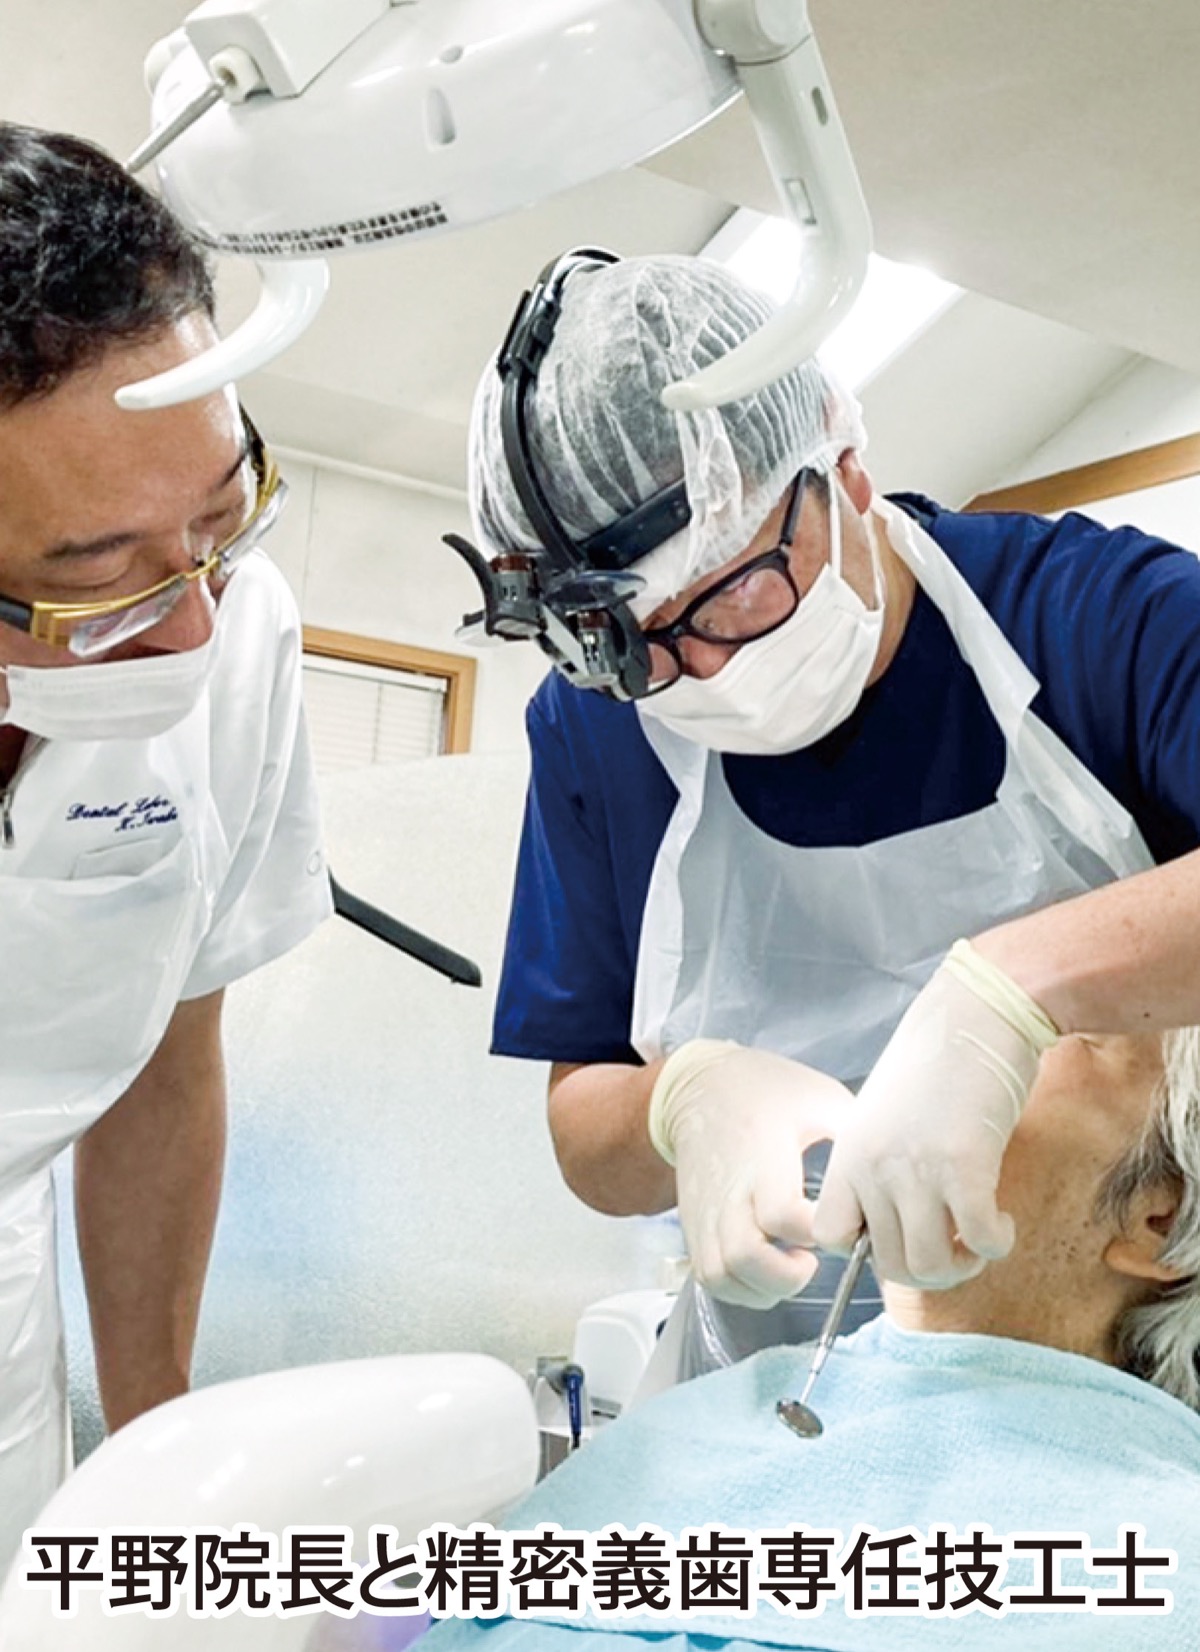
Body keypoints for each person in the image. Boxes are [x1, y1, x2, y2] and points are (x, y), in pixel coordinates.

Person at [461, 247, 1200, 1329]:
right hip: (768, 1367)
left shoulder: (1097, 617)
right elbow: (585, 1125)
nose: (699, 665)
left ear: (843, 467)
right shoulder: (594, 727)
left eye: (733, 589)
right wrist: (679, 1102)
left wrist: (1014, 989)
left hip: (1102, 1351)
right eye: (629, 643)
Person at [424, 1028, 1200, 1652]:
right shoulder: (698, 1428)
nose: (964, 1047)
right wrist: (677, 1090)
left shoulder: (1162, 1555)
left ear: (1157, 1222)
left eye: (1080, 1033)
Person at [0, 124, 331, 1564]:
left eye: (219, 520)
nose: (193, 622)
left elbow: (162, 1064)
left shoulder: (241, 632)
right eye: (98, 580)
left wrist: (155, 1457)